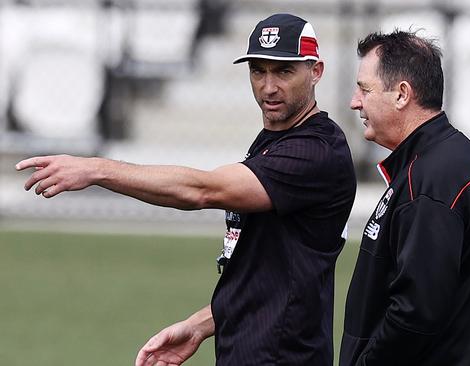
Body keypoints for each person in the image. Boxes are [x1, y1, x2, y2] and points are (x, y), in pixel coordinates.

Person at [15, 13, 356, 366]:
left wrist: (97, 169)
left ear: (315, 71)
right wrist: (200, 324)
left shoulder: (315, 151)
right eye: (258, 71)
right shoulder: (278, 139)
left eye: (284, 71)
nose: (268, 86)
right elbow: (271, 273)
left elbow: (202, 191)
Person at [340, 30, 470, 366]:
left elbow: (416, 313)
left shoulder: (430, 183)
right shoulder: (456, 161)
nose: (355, 101)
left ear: (402, 95)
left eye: (365, 89)